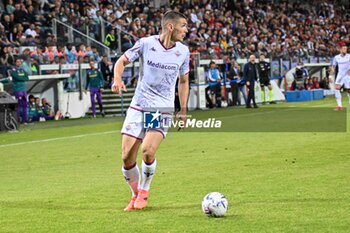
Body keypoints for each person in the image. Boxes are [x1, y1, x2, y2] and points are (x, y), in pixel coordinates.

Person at [111, 11, 189, 211]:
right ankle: (135, 194)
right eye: (183, 26)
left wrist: (183, 110)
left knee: (147, 150)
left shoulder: (183, 52)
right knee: (127, 156)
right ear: (170, 27)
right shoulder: (146, 43)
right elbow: (121, 61)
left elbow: (184, 80)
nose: (186, 31)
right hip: (139, 104)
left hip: (160, 107)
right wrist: (117, 79)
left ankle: (144, 191)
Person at [331, 44, 350, 110]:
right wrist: (332, 72)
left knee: (348, 90)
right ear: (340, 49)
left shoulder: (349, 56)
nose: (345, 50)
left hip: (348, 75)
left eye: (346, 49)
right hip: (340, 75)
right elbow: (333, 66)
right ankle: (339, 106)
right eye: (344, 48)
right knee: (337, 88)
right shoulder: (336, 57)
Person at [11, 58, 29, 123]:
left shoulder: (23, 70)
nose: (19, 63)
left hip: (24, 89)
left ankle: (25, 120)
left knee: (25, 105)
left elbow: (27, 78)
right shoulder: (13, 70)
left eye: (20, 62)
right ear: (15, 63)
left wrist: (21, 78)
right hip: (17, 89)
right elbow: (16, 77)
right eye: (17, 62)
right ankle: (18, 119)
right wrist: (22, 78)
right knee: (19, 105)